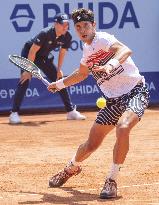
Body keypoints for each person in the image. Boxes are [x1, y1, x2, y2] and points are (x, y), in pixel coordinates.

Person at [47, 8, 149, 199]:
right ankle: (71, 168)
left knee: (123, 127)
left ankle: (112, 179)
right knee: (91, 145)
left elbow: (125, 50)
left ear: (93, 25)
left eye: (86, 25)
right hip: (112, 101)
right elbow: (82, 74)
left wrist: (110, 65)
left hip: (135, 91)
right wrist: (59, 84)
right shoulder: (87, 50)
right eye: (78, 27)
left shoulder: (103, 39)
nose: (82, 29)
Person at [9, 13, 86, 124]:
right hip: (29, 54)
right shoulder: (45, 33)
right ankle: (14, 113)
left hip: (44, 56)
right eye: (63, 24)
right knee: (25, 80)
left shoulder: (67, 36)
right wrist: (28, 70)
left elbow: (62, 53)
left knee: (60, 80)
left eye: (67, 24)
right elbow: (32, 51)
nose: (65, 27)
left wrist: (59, 69)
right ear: (55, 24)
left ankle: (70, 111)